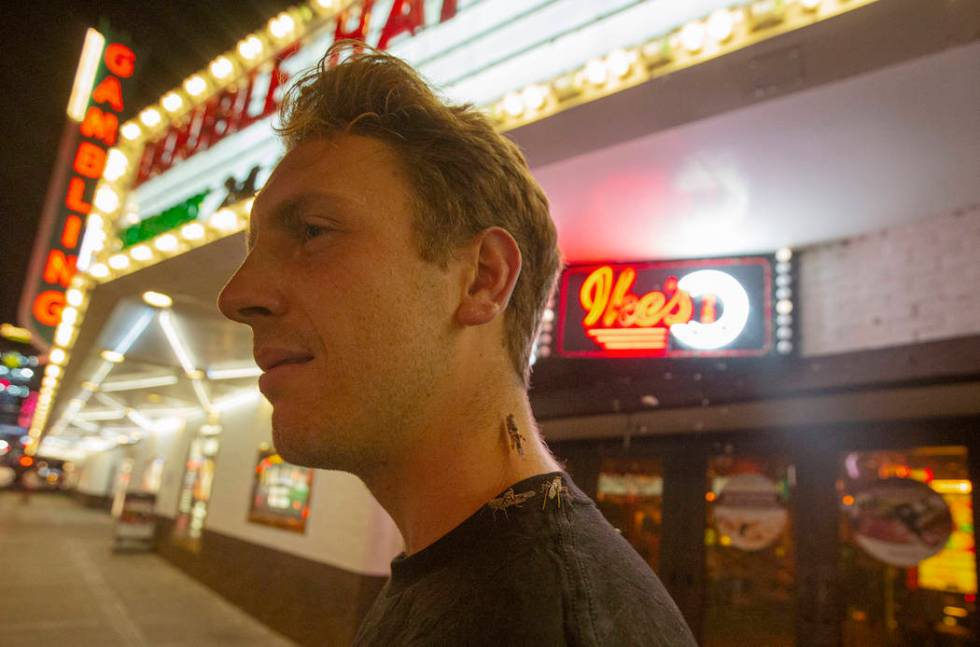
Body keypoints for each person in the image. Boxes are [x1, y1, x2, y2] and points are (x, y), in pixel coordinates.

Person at [218, 42, 697, 646]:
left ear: (482, 278)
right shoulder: (469, 578)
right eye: (252, 252)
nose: (235, 297)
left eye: (314, 232)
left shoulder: (548, 622)